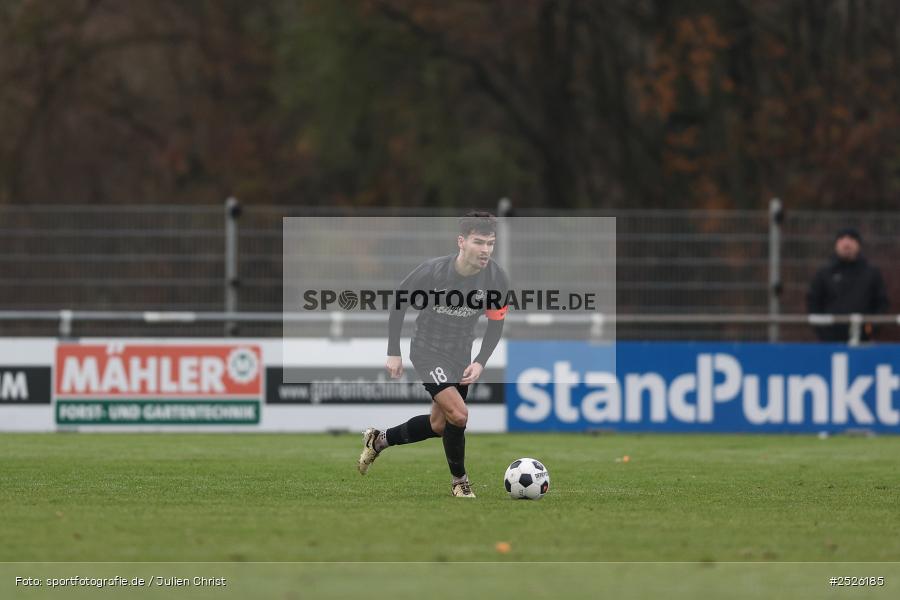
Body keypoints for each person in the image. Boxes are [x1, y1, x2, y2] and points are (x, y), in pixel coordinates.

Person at [357, 211, 509, 498]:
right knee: (459, 415)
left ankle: (379, 440)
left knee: (440, 425)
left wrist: (480, 361)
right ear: (461, 242)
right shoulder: (433, 272)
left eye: (490, 243)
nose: (486, 250)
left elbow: (496, 323)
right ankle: (459, 482)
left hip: (461, 355)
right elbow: (399, 303)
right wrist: (394, 351)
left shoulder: (496, 278)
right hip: (428, 350)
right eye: (479, 242)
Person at [806, 227, 889, 342]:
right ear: (836, 244)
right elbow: (813, 303)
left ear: (858, 244)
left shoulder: (871, 272)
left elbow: (881, 303)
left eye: (851, 239)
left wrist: (869, 330)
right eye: (842, 239)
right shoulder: (824, 273)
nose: (846, 243)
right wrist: (824, 332)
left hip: (862, 339)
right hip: (829, 341)